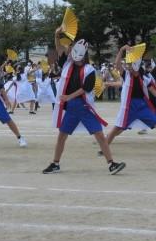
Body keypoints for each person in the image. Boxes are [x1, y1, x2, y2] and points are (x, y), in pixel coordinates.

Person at [42, 26, 126, 175]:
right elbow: (59, 49)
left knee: (99, 135)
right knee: (62, 136)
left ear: (83, 54)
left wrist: (68, 96)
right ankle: (55, 164)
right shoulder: (67, 64)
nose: (73, 53)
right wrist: (56, 35)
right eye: (73, 50)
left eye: (77, 52)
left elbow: (85, 89)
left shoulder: (89, 70)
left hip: (84, 106)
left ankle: (111, 163)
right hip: (71, 108)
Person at [104, 44, 156, 156]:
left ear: (136, 65)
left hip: (142, 106)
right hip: (129, 107)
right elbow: (117, 64)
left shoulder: (144, 78)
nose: (128, 66)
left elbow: (155, 93)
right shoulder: (126, 75)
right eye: (128, 64)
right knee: (117, 128)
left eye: (130, 64)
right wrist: (121, 50)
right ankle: (104, 148)